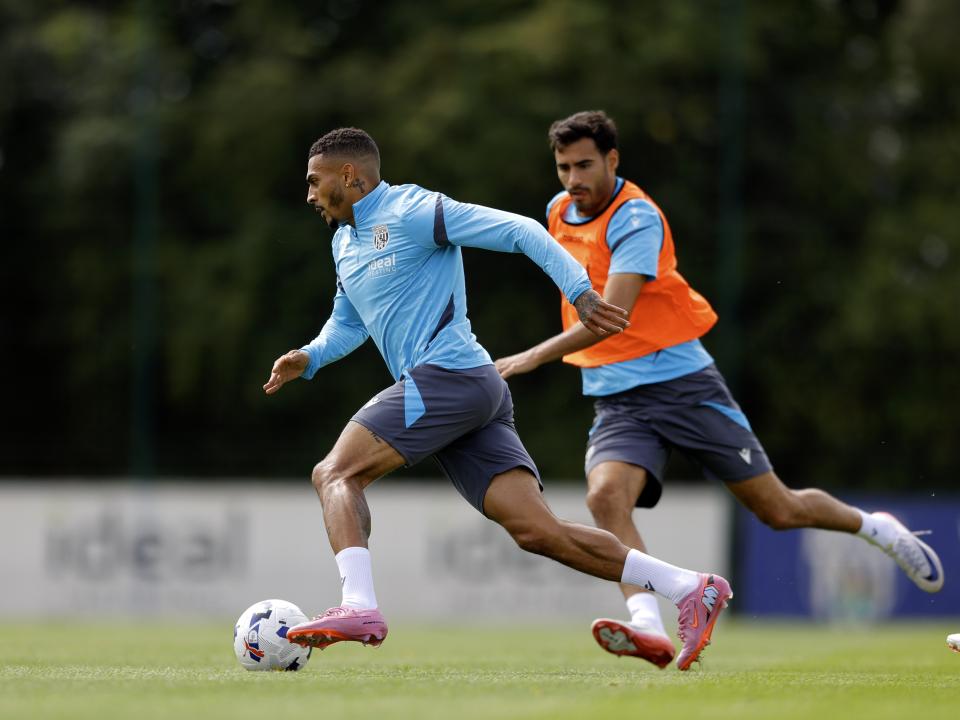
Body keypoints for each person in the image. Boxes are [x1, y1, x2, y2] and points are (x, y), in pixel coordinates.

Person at [264, 127, 731, 671]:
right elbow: (347, 325)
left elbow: (521, 230)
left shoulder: (414, 209)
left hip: (450, 377)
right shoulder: (343, 242)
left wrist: (579, 290)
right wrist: (310, 356)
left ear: (350, 175)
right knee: (540, 533)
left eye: (314, 181)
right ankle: (692, 587)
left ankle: (360, 606)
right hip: (470, 392)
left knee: (335, 474)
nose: (310, 194)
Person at [494, 110, 944, 669]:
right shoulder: (558, 211)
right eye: (563, 167)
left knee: (778, 510)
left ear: (612, 159)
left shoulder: (637, 217)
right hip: (616, 395)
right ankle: (649, 628)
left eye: (584, 164)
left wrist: (530, 357)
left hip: (681, 383)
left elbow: (612, 315)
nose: (573, 179)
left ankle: (877, 528)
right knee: (605, 497)